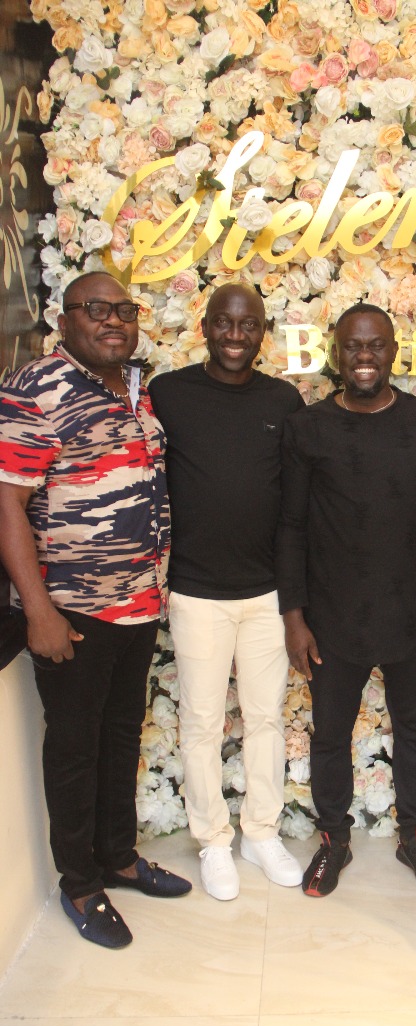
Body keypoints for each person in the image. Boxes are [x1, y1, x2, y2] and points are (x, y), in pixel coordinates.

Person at [0, 271, 191, 950]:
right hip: (74, 613)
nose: (113, 320)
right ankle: (79, 883)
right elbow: (8, 503)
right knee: (76, 749)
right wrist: (39, 612)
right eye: (96, 309)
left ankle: (118, 857)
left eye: (124, 310)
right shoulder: (37, 389)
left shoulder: (135, 386)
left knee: (121, 737)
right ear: (65, 320)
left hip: (139, 602)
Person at [276, 303, 416, 897]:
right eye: (353, 346)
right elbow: (290, 527)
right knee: (330, 734)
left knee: (415, 730)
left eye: (376, 345)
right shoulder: (308, 427)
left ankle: (414, 836)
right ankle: (333, 840)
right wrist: (294, 618)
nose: (365, 356)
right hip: (332, 618)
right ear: (337, 354)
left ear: (392, 350)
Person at [149, 283, 304, 900]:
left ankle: (261, 834)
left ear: (262, 332)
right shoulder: (168, 393)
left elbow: (295, 500)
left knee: (266, 719)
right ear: (205, 326)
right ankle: (213, 842)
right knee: (202, 723)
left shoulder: (283, 400)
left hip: (266, 595)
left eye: (248, 325)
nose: (235, 336)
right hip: (196, 593)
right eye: (224, 323)